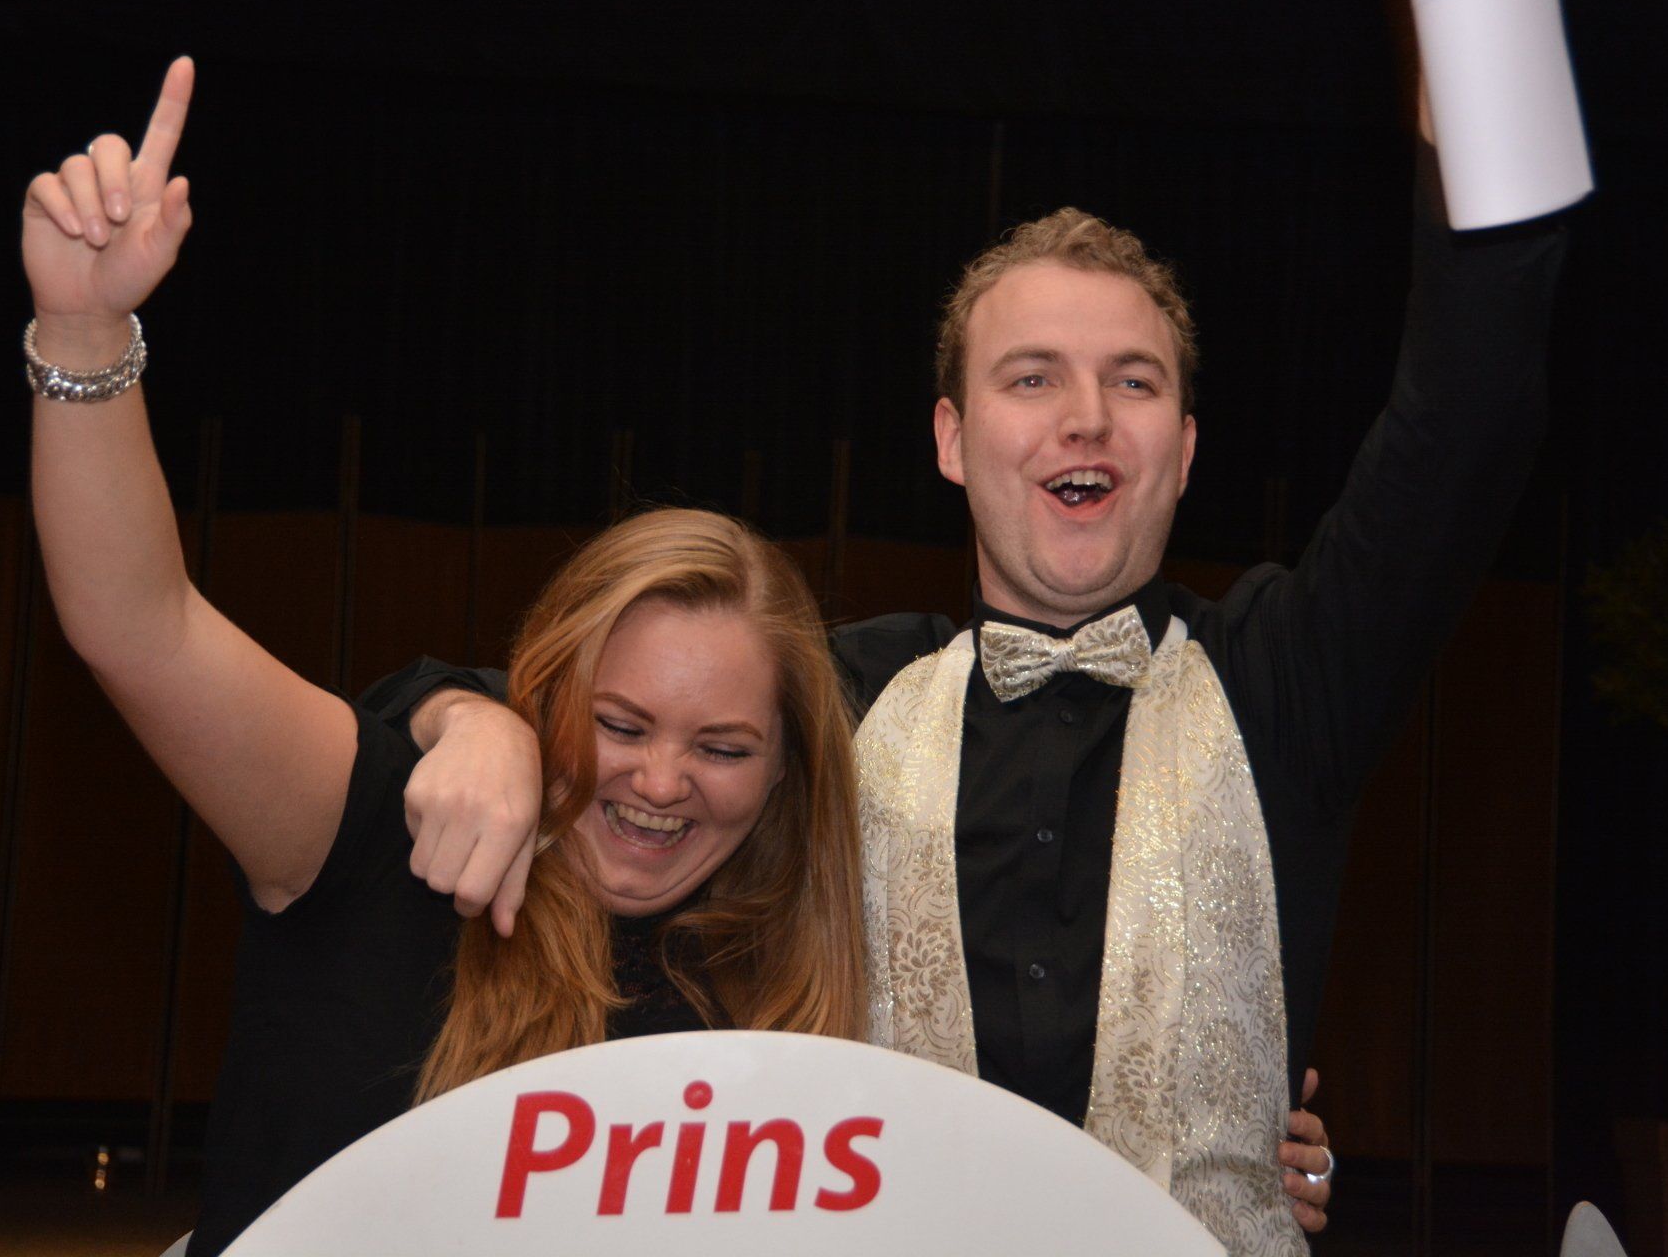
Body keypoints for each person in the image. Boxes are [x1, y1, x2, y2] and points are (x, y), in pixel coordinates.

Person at [377, 81, 1569, 1253]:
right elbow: (597, 726)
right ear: (952, 438)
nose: (1087, 414)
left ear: (1184, 448)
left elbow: (1468, 410)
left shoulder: (1288, 681)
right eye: (1032, 376)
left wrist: (1478, 60)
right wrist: (473, 722)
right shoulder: (844, 689)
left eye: (1134, 380)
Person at [19, 59, 865, 1257]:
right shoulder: (373, 833)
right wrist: (83, 326)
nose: (661, 780)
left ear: (783, 773)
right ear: (546, 690)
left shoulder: (775, 1004)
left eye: (723, 747)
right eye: (620, 724)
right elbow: (137, 624)